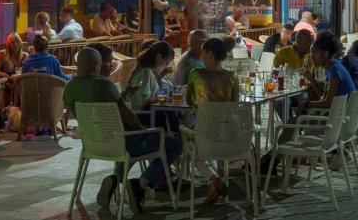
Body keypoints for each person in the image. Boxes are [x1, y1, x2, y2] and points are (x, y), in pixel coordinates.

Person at [63, 48, 182, 215]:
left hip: (92, 145)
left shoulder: (69, 87)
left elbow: (101, 114)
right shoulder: (103, 84)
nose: (110, 64)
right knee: (174, 143)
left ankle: (115, 178)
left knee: (126, 144)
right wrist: (142, 130)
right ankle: (140, 183)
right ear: (96, 64)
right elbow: (126, 115)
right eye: (107, 61)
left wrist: (124, 96)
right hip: (122, 142)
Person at [185, 37, 240, 204]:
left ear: (209, 53)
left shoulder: (195, 75)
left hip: (203, 133)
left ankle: (213, 179)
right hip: (228, 133)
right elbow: (234, 105)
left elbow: (189, 101)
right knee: (208, 146)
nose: (201, 56)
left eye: (203, 52)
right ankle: (213, 184)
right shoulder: (232, 76)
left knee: (190, 152)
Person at [298, 31, 357, 113]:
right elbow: (323, 97)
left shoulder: (334, 71)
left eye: (314, 53)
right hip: (341, 114)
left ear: (325, 54)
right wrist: (312, 80)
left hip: (340, 118)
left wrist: (306, 104)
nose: (311, 57)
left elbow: (327, 103)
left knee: (292, 121)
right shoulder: (334, 66)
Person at [125, 41, 176, 114]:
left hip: (148, 114)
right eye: (166, 63)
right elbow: (143, 101)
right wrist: (163, 98)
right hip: (143, 116)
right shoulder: (147, 72)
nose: (166, 66)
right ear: (158, 57)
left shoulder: (147, 70)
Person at [0, 32, 27, 107]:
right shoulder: (1, 54)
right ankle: (3, 113)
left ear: (20, 42)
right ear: (8, 45)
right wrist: (5, 75)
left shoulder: (24, 56)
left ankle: (18, 111)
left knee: (21, 87)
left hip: (18, 81)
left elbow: (28, 72)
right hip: (4, 81)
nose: (15, 44)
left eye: (17, 41)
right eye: (12, 42)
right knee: (5, 87)